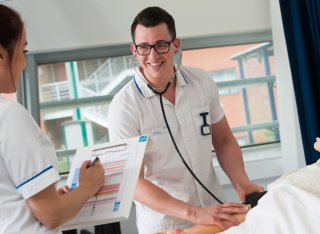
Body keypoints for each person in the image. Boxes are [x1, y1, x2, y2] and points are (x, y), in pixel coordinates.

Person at [108, 6, 263, 234]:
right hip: (165, 224)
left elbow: (223, 140)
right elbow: (133, 183)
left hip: (215, 213)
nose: (152, 56)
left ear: (176, 45)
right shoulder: (124, 106)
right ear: (134, 49)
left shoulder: (201, 82)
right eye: (143, 47)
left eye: (161, 45)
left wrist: (241, 182)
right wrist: (194, 213)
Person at [0, 4, 105, 234]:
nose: (24, 63)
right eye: (23, 51)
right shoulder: (8, 116)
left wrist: (56, 199)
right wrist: (88, 186)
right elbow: (51, 215)